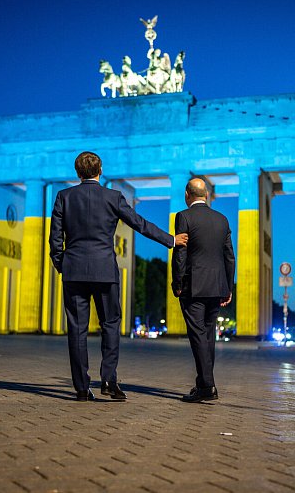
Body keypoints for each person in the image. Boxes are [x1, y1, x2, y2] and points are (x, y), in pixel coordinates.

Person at [49, 151, 188, 401]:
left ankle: (81, 388)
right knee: (111, 325)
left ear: (78, 173)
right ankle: (108, 380)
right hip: (105, 271)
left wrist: (63, 265)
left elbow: (55, 239)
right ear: (100, 170)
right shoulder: (112, 197)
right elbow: (139, 223)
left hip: (74, 272)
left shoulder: (64, 197)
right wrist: (171, 240)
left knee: (77, 329)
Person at [171, 178, 235, 403]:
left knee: (198, 335)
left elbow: (180, 252)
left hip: (193, 286)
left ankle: (207, 386)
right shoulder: (222, 220)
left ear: (187, 194)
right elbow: (229, 256)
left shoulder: (184, 217)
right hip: (216, 286)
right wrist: (228, 287)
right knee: (208, 336)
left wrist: (177, 283)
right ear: (206, 195)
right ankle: (203, 384)